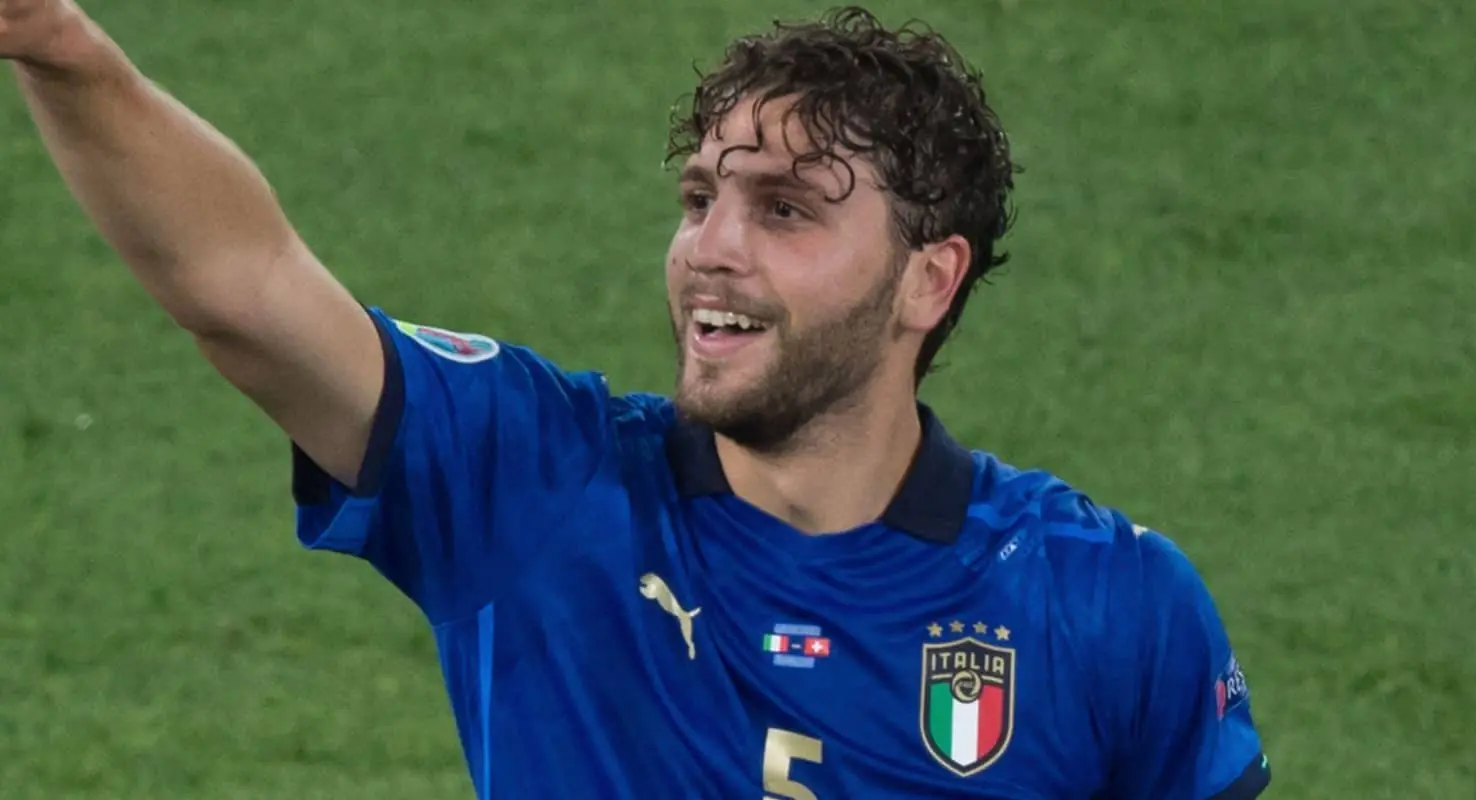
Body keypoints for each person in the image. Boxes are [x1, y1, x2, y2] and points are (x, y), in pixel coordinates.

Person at [4, 2, 1272, 797]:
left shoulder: (1107, 604)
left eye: (782, 210)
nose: (710, 247)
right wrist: (58, 40)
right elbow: (247, 287)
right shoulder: (537, 485)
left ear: (925, 279)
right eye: (698, 198)